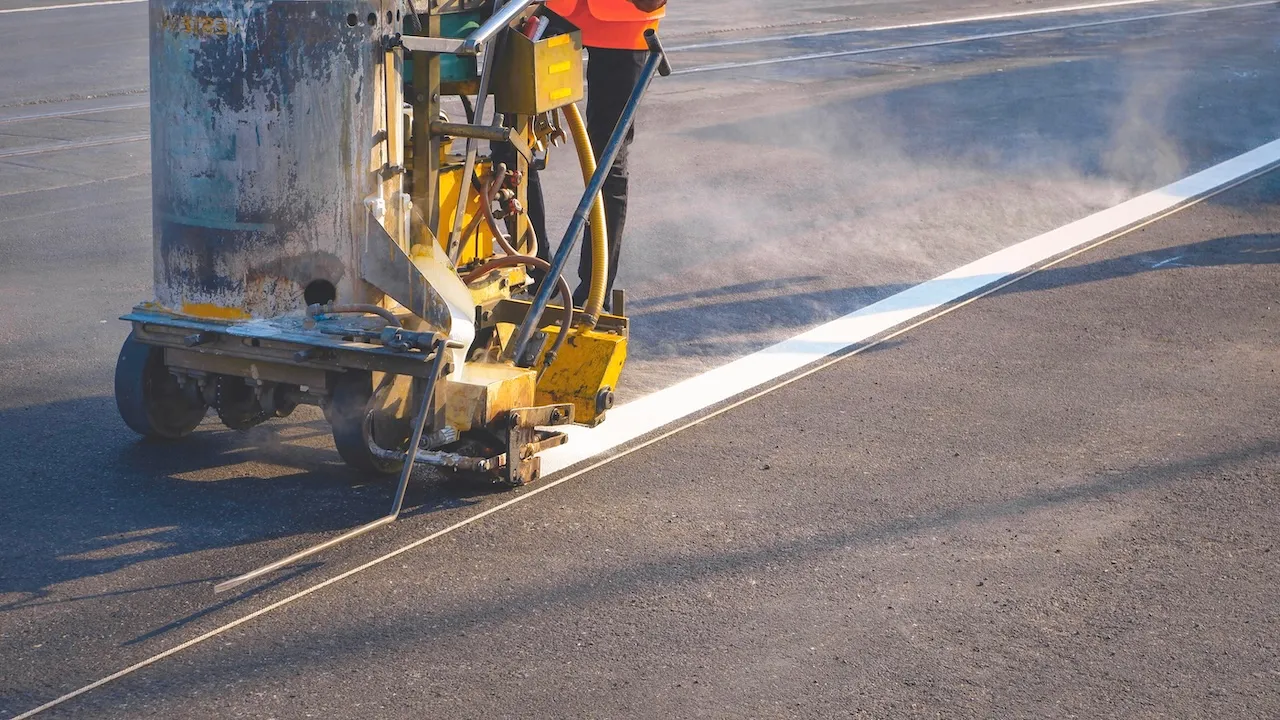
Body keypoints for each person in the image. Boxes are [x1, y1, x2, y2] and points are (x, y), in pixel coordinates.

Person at [499, 0, 666, 312]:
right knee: (512, 141)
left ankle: (594, 289)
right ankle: (535, 272)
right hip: (552, 8)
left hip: (625, 16)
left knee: (608, 156)